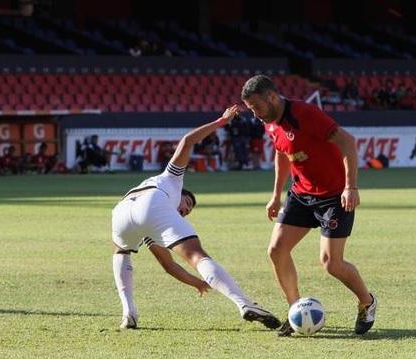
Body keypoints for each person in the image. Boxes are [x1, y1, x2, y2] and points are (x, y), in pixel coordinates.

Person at [111, 105, 281, 330]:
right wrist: (220, 122)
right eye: (186, 204)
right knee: (197, 255)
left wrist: (198, 283)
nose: (183, 211)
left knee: (121, 252)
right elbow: (187, 141)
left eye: (186, 212)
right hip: (151, 202)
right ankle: (244, 303)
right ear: (181, 193)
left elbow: (169, 265)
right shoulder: (172, 178)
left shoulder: (156, 223)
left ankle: (129, 314)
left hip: (121, 211)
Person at [241, 75, 377, 336]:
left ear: (271, 96)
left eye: (256, 106)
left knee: (331, 263)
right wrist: (276, 195)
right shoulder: (270, 123)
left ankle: (367, 302)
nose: (255, 114)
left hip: (334, 196)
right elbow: (283, 154)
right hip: (301, 194)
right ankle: (296, 312)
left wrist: (351, 187)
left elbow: (348, 142)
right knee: (276, 250)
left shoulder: (305, 113)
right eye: (250, 109)